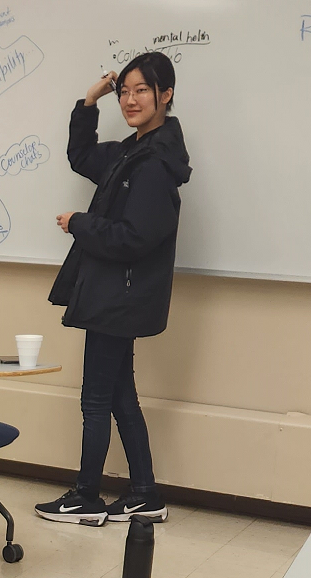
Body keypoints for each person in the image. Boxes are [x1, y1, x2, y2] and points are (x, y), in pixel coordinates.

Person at [36, 51, 191, 526]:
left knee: (97, 399)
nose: (129, 99)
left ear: (165, 95)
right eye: (124, 90)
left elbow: (133, 238)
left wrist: (79, 222)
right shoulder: (131, 151)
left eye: (141, 90)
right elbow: (81, 155)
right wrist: (89, 102)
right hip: (114, 294)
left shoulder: (153, 164)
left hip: (119, 296)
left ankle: (86, 496)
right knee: (120, 395)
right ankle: (144, 492)